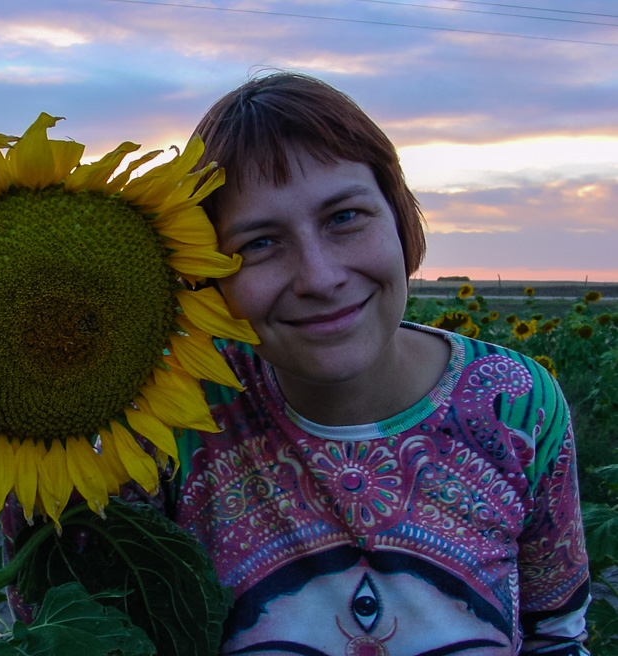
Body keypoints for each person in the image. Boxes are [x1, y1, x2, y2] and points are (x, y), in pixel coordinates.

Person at [168, 72, 591, 655]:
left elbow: (557, 636)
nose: (319, 277)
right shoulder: (177, 415)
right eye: (258, 244)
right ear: (211, 277)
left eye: (344, 217)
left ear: (399, 218)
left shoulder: (514, 403)